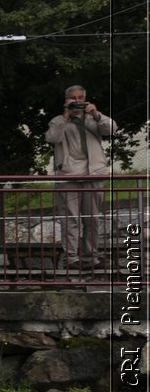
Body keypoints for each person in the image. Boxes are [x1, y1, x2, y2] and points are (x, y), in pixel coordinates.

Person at [44, 85, 117, 271]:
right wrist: (66, 116)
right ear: (66, 100)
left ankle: (91, 257)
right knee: (70, 219)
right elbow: (52, 138)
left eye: (80, 97)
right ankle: (71, 257)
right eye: (73, 98)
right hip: (69, 175)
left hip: (93, 173)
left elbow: (111, 129)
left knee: (92, 218)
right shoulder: (58, 120)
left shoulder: (94, 119)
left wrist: (97, 114)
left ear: (86, 98)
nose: (77, 101)